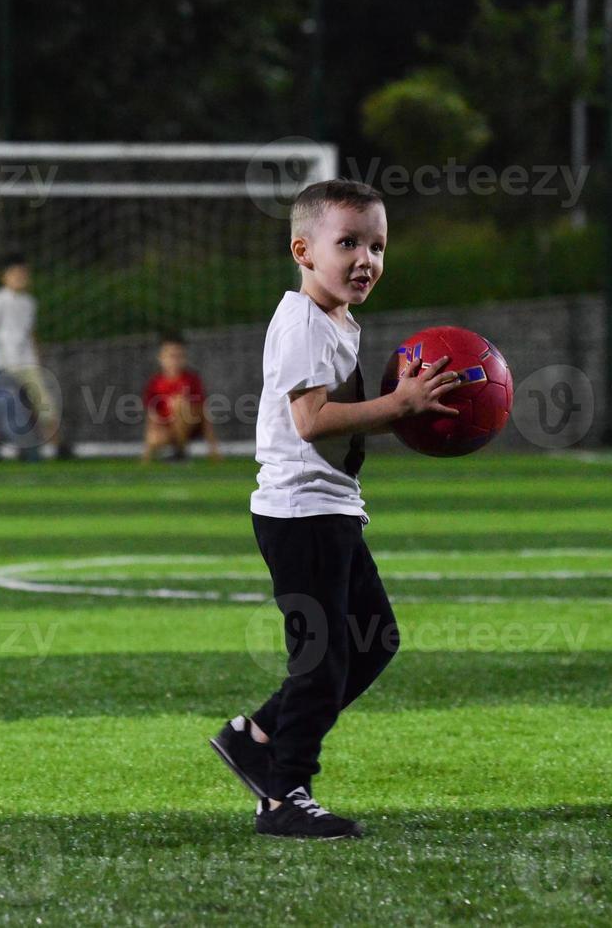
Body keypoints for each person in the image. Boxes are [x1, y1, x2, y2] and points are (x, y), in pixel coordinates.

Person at [208, 179, 462, 839]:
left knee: (374, 640)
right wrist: (399, 407)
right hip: (301, 513)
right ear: (303, 250)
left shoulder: (341, 320)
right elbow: (312, 420)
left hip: (332, 508)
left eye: (376, 245)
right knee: (321, 659)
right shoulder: (300, 322)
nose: (365, 259)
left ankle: (257, 735)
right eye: (347, 243)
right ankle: (282, 795)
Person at [0, 255, 72, 459]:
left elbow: (30, 332)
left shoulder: (29, 302)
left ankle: (57, 446)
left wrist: (37, 358)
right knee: (6, 407)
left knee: (42, 402)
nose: (20, 277)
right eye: (15, 274)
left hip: (27, 364)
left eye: (23, 274)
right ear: (4, 277)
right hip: (3, 365)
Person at [141, 335, 221, 463]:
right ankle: (175, 451)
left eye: (179, 356)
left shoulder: (191, 380)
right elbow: (152, 417)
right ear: (161, 358)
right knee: (154, 438)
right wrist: (146, 455)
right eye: (171, 356)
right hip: (168, 428)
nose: (174, 360)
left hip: (192, 426)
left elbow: (204, 413)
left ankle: (181, 452)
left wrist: (213, 449)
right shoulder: (155, 383)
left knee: (178, 403)